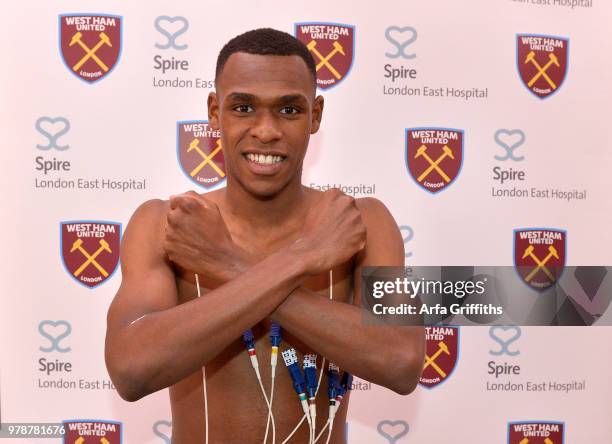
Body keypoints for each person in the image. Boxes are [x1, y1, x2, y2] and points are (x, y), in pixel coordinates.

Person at [105, 28, 425, 444]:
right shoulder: (166, 222)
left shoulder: (360, 221)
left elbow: (401, 360)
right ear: (214, 111)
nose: (266, 130)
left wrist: (228, 265)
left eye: (290, 110)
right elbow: (131, 370)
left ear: (315, 116)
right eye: (243, 107)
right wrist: (303, 258)